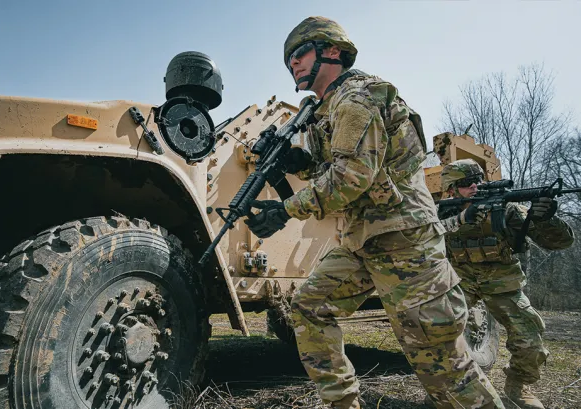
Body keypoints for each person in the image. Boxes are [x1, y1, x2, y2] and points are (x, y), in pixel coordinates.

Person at [244, 16, 504, 409]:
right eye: (288, 61)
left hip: (406, 242)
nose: (293, 65)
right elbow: (329, 169)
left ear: (331, 51)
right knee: (310, 306)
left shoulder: (356, 98)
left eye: (298, 54)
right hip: (364, 241)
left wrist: (285, 210)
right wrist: (295, 161)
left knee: (443, 368)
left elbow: (352, 178)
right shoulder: (327, 111)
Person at [438, 159, 575, 409]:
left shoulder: (506, 209)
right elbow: (421, 235)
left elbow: (558, 243)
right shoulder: (441, 212)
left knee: (530, 338)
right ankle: (448, 388)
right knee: (437, 330)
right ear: (450, 190)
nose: (475, 187)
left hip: (501, 281)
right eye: (467, 184)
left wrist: (546, 219)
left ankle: (517, 387)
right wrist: (459, 219)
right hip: (460, 281)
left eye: (479, 180)